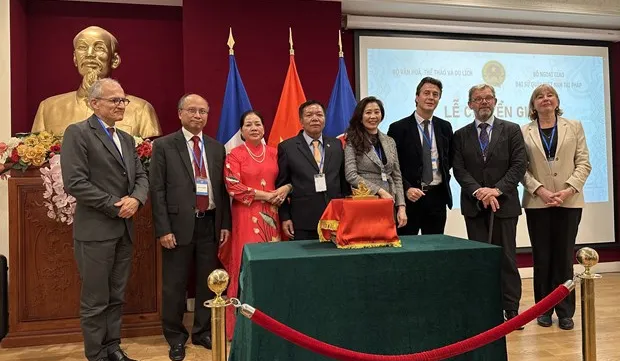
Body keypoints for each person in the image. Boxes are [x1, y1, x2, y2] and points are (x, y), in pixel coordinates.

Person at [61, 78, 148, 361]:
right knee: (96, 300)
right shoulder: (78, 133)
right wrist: (115, 205)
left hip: (124, 230)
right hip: (96, 231)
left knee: (116, 296)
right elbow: (75, 182)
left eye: (123, 100)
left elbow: (142, 176)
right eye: (115, 100)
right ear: (94, 103)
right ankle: (96, 354)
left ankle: (113, 349)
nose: (121, 105)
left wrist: (136, 199)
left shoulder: (125, 138)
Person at [149, 94, 231, 361]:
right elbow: (157, 189)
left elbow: (221, 189)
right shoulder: (163, 146)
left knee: (208, 283)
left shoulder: (217, 147)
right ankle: (175, 337)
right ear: (180, 113)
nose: (198, 116)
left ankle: (202, 331)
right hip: (177, 226)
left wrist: (225, 224)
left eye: (203, 111)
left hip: (209, 223)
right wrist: (163, 229)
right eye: (192, 110)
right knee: (175, 285)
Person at [452, 84, 527, 327]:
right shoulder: (460, 135)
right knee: (480, 259)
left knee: (506, 258)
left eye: (488, 98)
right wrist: (478, 191)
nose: (483, 102)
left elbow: (519, 164)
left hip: (504, 204)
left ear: (495, 101)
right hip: (474, 207)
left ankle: (511, 309)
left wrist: (495, 190)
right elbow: (459, 169)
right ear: (470, 105)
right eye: (478, 99)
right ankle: (484, 309)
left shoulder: (513, 130)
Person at [521, 84, 591, 330]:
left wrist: (569, 189)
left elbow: (583, 163)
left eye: (550, 95)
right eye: (539, 96)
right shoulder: (524, 131)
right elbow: (522, 168)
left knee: (563, 257)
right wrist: (540, 190)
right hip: (538, 202)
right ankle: (543, 310)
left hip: (568, 201)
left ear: (557, 101)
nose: (545, 99)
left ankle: (564, 311)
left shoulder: (574, 127)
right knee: (542, 258)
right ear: (533, 105)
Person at [222, 110, 291, 338]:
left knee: (272, 265)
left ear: (264, 128)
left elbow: (286, 180)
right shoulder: (235, 155)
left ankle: (272, 321)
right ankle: (240, 326)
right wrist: (265, 195)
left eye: (258, 124)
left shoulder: (274, 153)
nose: (254, 128)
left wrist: (283, 190)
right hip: (246, 215)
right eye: (248, 124)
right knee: (247, 267)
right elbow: (233, 186)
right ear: (241, 131)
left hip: (274, 216)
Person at [32, 26, 161, 138]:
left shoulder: (141, 110)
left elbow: (150, 160)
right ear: (75, 58)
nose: (89, 54)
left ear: (114, 60)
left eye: (99, 48)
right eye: (82, 47)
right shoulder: (48, 108)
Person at [275, 100, 350, 240]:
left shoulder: (336, 144)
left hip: (335, 218)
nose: (315, 118)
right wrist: (285, 217)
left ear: (325, 119)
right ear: (301, 121)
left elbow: (343, 180)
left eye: (319, 114)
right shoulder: (287, 147)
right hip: (303, 220)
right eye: (309, 115)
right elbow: (282, 184)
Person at [388, 77, 453, 235]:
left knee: (435, 247)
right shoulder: (398, 128)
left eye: (435, 94)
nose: (431, 97)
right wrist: (406, 188)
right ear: (417, 97)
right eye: (426, 93)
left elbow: (449, 158)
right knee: (407, 249)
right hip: (409, 198)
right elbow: (391, 167)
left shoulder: (445, 127)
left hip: (437, 197)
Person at [344, 96, 407, 228]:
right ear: (360, 117)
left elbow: (396, 176)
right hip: (366, 201)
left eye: (377, 112)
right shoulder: (352, 140)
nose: (373, 116)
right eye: (368, 112)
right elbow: (351, 175)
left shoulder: (390, 141)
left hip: (389, 201)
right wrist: (379, 191)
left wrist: (401, 207)